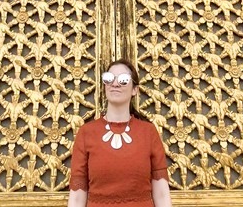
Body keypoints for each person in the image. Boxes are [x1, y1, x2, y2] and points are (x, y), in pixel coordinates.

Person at [68, 58, 173, 207]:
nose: (115, 84)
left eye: (123, 80)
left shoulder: (148, 132)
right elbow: (77, 196)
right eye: (109, 79)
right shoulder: (87, 133)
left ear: (135, 89)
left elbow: (162, 194)